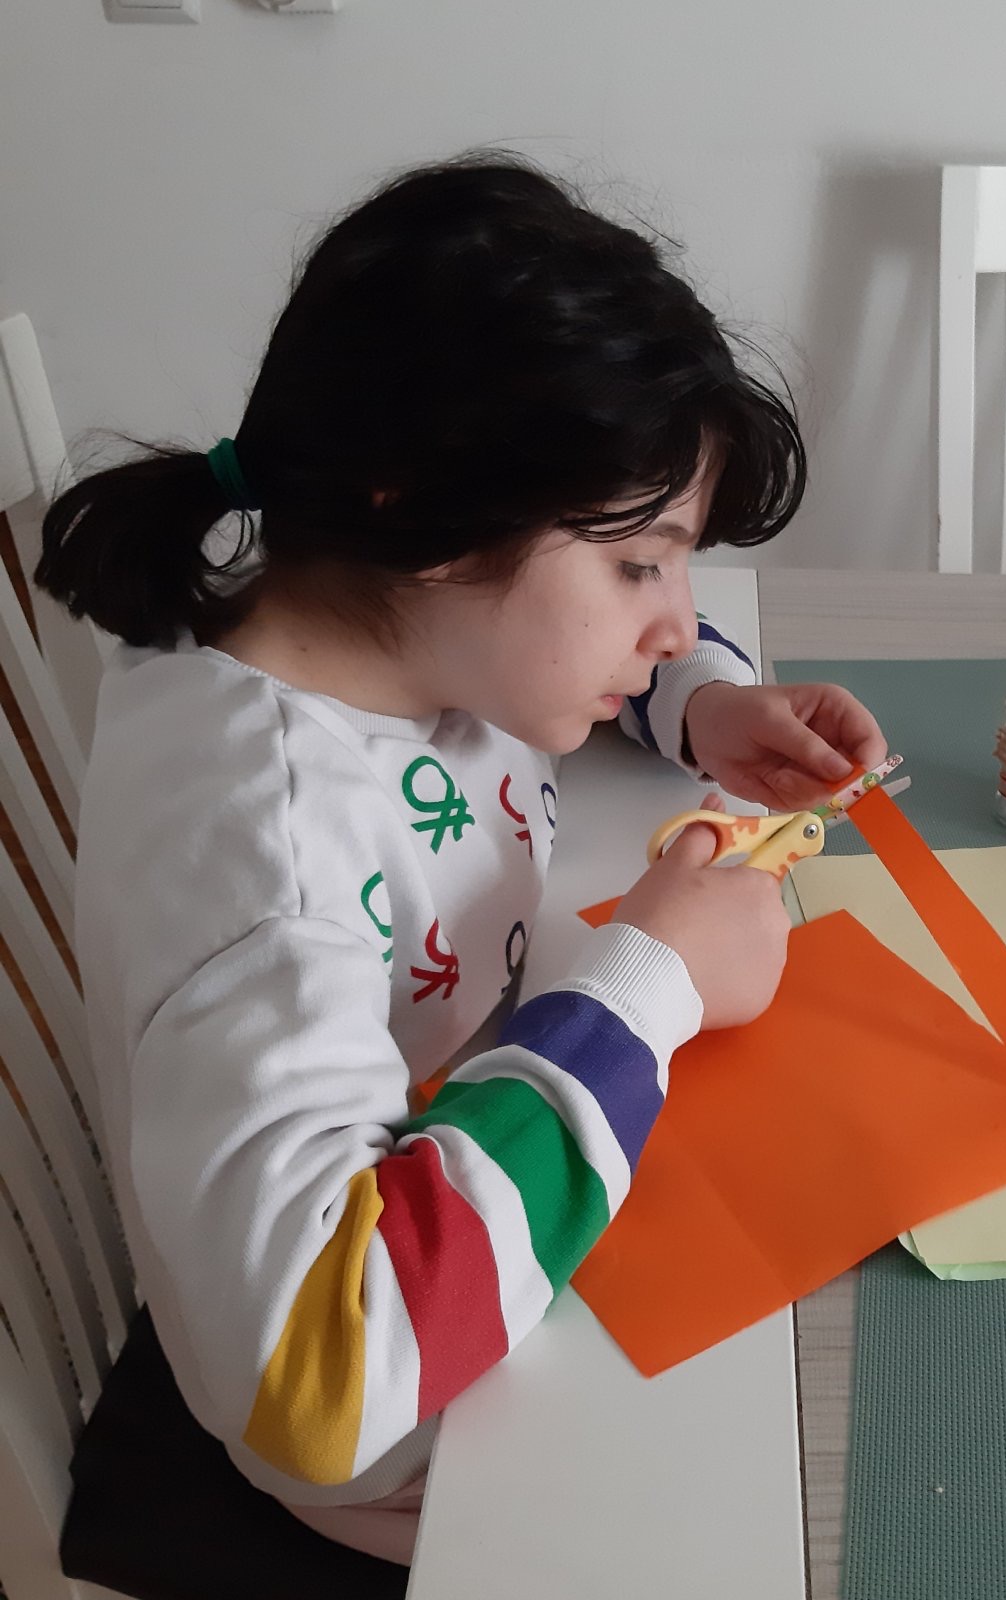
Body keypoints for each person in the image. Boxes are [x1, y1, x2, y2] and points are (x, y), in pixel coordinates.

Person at [36, 155, 886, 1565]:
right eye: (639, 566)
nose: (676, 619)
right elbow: (323, 1379)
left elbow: (555, 666)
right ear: (427, 516)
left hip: (478, 1153)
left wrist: (704, 706)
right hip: (412, 1441)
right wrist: (653, 985)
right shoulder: (265, 861)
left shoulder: (370, 620)